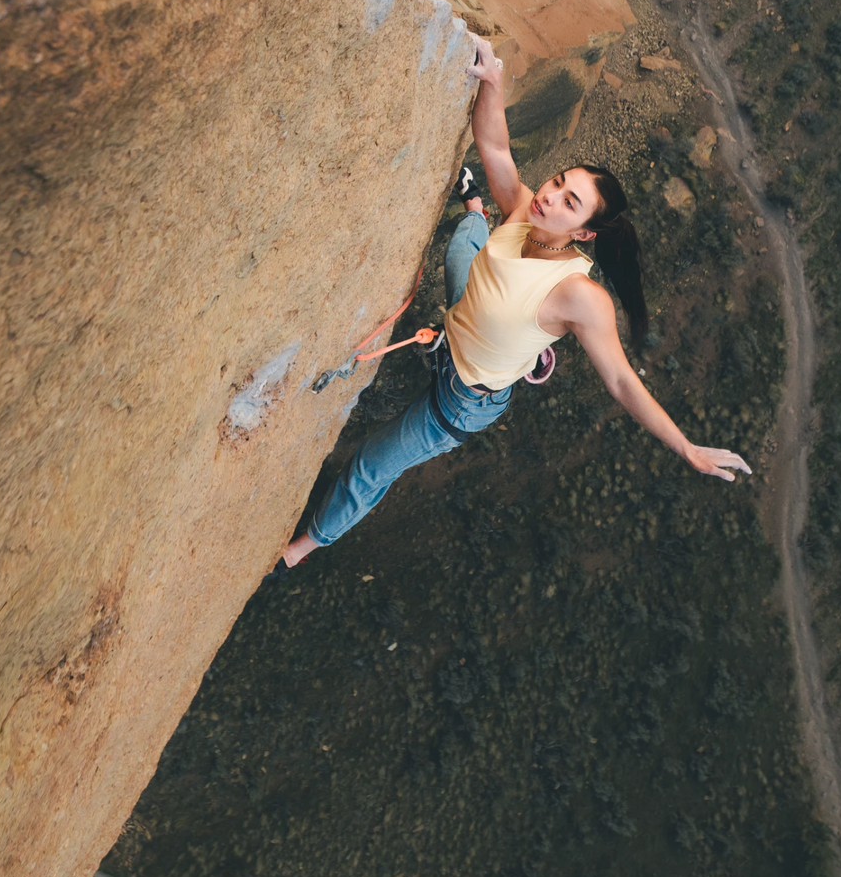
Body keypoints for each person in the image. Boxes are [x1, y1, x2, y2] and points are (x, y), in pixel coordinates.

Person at [277, 35, 750, 569]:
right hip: (463, 321)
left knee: (369, 465)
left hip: (461, 399)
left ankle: (297, 553)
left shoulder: (580, 297)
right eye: (558, 181)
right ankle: (476, 211)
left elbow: (620, 382)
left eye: (569, 202)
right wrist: (494, 82)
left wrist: (685, 447)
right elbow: (497, 149)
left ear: (585, 234)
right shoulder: (525, 209)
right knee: (465, 241)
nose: (549, 196)